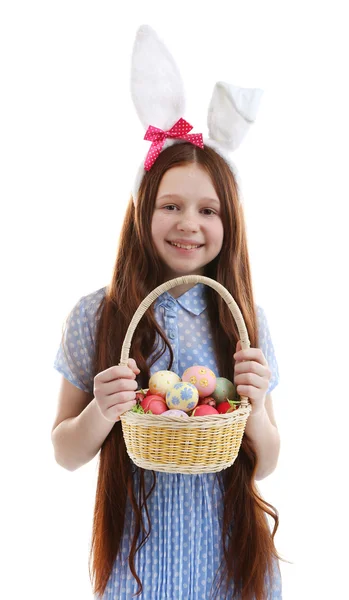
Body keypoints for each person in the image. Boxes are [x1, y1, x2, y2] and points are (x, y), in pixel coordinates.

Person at [51, 25, 284, 600]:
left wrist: (252, 408)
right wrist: (101, 413)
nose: (189, 224)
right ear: (141, 213)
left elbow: (270, 459)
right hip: (141, 567)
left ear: (228, 226)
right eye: (171, 205)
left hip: (231, 564)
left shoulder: (242, 318)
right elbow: (64, 450)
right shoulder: (97, 315)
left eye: (209, 210)